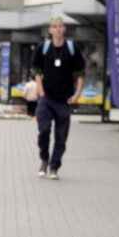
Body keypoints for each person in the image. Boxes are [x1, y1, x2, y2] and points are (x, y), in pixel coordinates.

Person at [31, 15, 85, 179]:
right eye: (54, 27)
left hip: (65, 99)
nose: (58, 30)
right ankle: (44, 159)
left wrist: (77, 94)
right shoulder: (43, 48)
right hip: (46, 98)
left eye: (60, 26)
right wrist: (40, 89)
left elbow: (80, 73)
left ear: (64, 29)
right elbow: (36, 70)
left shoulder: (71, 48)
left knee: (61, 136)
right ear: (50, 30)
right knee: (44, 131)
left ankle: (54, 167)